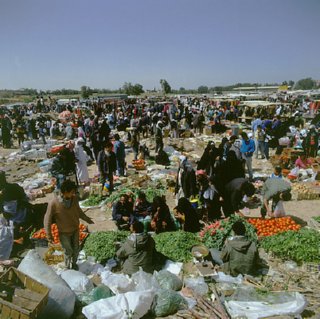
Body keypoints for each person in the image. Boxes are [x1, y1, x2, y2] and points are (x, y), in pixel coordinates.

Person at [44, 180, 93, 269]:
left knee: (76, 249)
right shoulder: (54, 203)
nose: (74, 194)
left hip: (75, 229)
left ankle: (74, 264)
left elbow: (78, 211)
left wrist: (87, 219)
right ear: (65, 192)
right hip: (64, 232)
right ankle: (67, 267)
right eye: (72, 192)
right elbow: (47, 220)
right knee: (68, 251)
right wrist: (49, 235)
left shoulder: (74, 199)